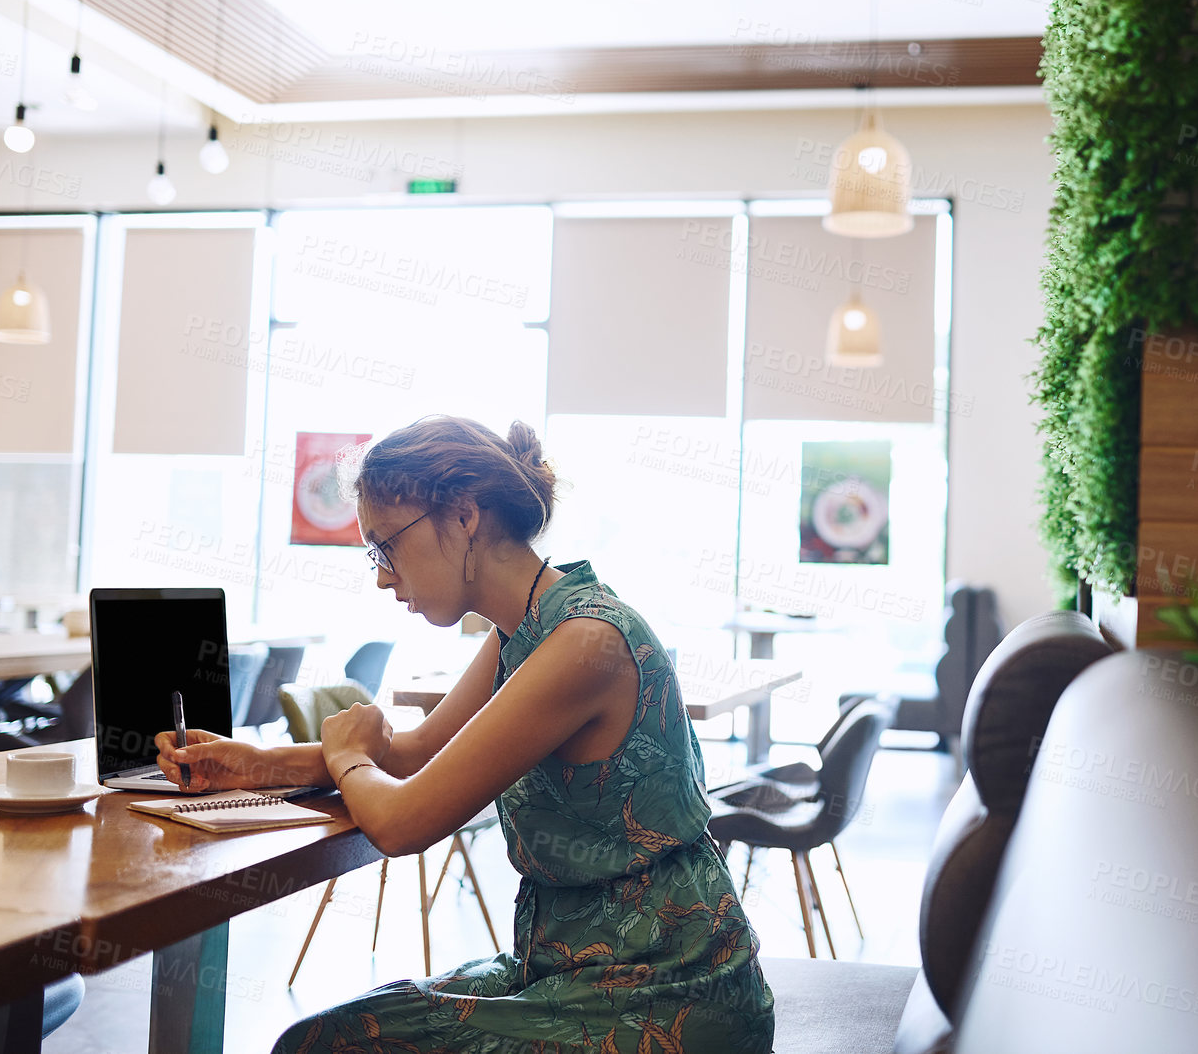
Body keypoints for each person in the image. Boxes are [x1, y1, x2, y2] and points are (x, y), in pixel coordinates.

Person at [153, 415, 776, 1053]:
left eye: (384, 546)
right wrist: (254, 764)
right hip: (576, 972)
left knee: (322, 1044)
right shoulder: (526, 630)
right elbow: (416, 754)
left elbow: (404, 822)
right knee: (335, 1031)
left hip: (665, 993)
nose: (381, 576)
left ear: (462, 515)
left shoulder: (584, 642)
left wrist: (346, 759)